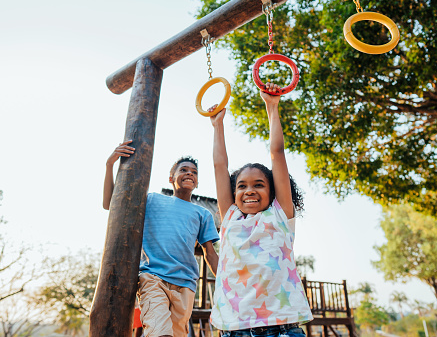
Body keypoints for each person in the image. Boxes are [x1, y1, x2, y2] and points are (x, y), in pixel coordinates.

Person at [208, 83, 313, 336]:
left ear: (273, 191)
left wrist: (272, 106)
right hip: (235, 328)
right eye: (242, 186)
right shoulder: (231, 216)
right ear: (234, 194)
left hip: (281, 327)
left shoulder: (279, 215)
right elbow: (219, 166)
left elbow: (277, 153)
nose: (249, 190)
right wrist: (217, 125)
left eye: (259, 185)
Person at [103, 142, 220, 337]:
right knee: (159, 333)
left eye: (194, 172)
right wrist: (110, 165)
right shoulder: (152, 200)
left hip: (186, 285)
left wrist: (226, 282)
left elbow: (210, 253)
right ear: (171, 178)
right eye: (183, 170)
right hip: (153, 278)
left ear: (197, 182)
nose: (189, 173)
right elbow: (110, 204)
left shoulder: (203, 214)